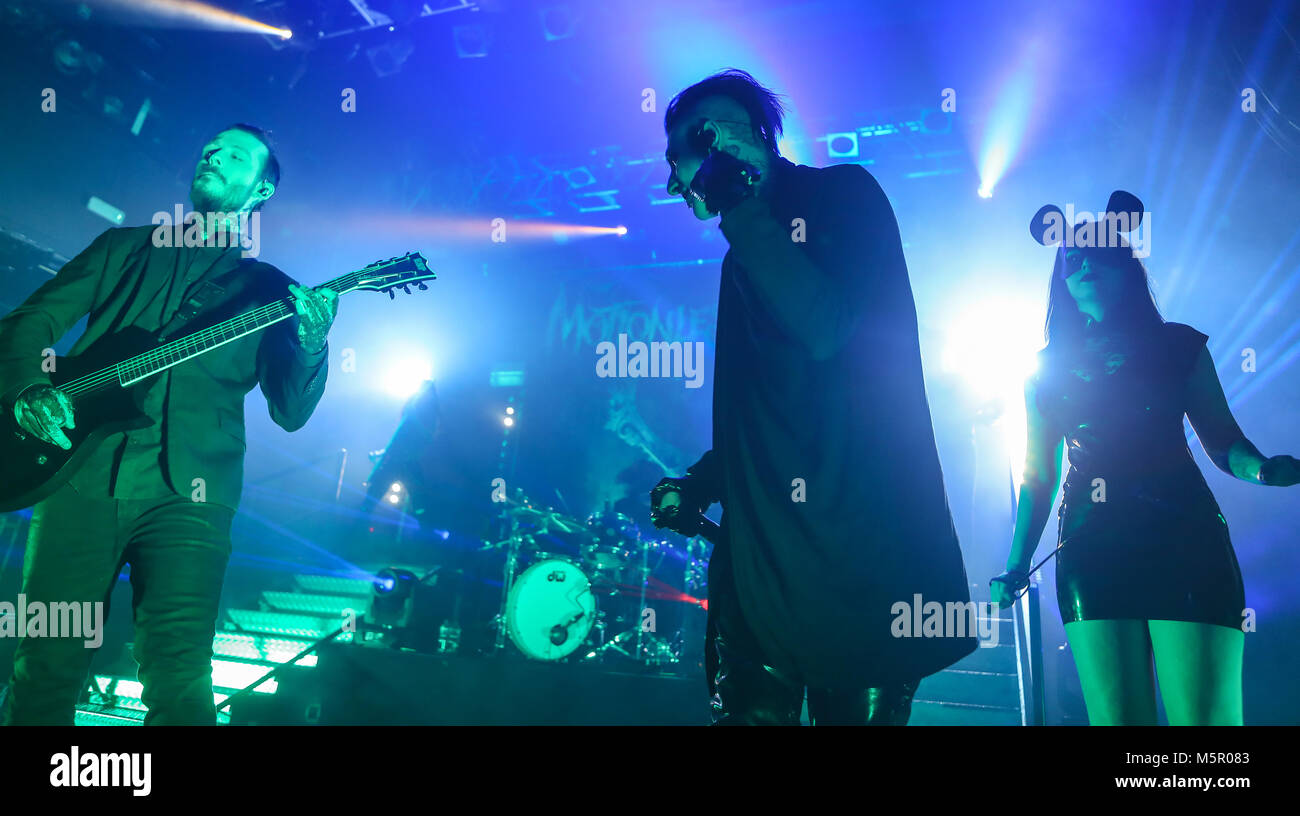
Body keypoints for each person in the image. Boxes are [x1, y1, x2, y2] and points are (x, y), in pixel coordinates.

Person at [650, 70, 976, 725]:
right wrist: (704, 481)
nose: (679, 174)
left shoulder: (842, 195)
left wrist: (739, 205)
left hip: (860, 561)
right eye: (681, 154)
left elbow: (826, 330)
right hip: (762, 572)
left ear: (743, 137)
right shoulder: (741, 254)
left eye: (695, 143)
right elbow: (762, 412)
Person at [0, 124, 338, 725]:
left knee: (179, 674)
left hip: (193, 496)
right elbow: (30, 321)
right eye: (211, 148)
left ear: (262, 190)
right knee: (46, 663)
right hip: (79, 476)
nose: (215, 155)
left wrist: (312, 343)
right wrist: (29, 387)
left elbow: (290, 411)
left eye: (236, 155)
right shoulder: (123, 248)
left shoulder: (272, 291)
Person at [991, 193, 1300, 725]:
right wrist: (1017, 564)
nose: (1083, 265)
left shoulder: (1178, 345)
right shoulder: (1045, 368)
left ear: (1124, 263)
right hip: (1091, 549)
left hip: (1186, 539)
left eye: (1095, 253)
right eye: (1071, 258)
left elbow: (1221, 438)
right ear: (1061, 279)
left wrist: (1262, 469)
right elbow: (1037, 476)